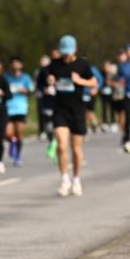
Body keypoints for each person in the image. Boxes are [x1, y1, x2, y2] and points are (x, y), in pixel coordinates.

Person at [47, 35, 97, 196]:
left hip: (77, 111)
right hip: (60, 110)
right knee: (61, 145)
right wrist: (50, 80)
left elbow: (94, 82)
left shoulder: (82, 64)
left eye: (68, 52)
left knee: (76, 149)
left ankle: (76, 180)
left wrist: (81, 81)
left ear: (75, 50)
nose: (66, 55)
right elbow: (46, 79)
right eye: (63, 52)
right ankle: (64, 179)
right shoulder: (54, 64)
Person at [6, 55, 35, 166]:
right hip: (8, 108)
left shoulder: (25, 77)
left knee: (19, 133)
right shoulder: (6, 77)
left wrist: (26, 91)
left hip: (20, 108)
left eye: (17, 63)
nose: (15, 65)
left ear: (21, 65)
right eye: (13, 63)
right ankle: (12, 143)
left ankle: (18, 155)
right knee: (8, 133)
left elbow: (32, 91)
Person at [34, 54, 53, 141]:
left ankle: (50, 129)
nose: (42, 63)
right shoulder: (38, 71)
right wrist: (42, 89)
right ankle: (42, 131)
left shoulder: (52, 70)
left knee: (49, 113)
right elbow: (36, 82)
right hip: (40, 94)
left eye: (44, 61)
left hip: (51, 95)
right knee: (41, 113)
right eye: (41, 61)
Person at [83, 62, 104, 134]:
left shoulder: (93, 69)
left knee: (90, 110)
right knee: (82, 110)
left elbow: (100, 79)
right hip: (81, 93)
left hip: (91, 93)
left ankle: (94, 124)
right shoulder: (77, 68)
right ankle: (87, 125)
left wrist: (96, 88)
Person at [99, 60, 117, 133]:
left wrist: (111, 83)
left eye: (107, 66)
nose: (106, 68)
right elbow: (99, 82)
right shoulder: (101, 74)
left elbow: (116, 83)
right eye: (105, 66)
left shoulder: (113, 74)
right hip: (103, 93)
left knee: (112, 108)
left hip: (111, 93)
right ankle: (105, 123)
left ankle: (113, 123)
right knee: (104, 108)